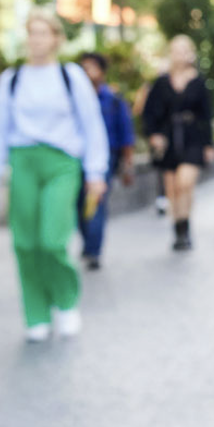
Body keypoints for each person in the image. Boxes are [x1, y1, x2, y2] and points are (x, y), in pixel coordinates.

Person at [0, 10, 108, 342]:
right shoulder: (12, 79)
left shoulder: (71, 76)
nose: (36, 40)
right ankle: (35, 312)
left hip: (62, 163)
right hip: (23, 161)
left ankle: (65, 300)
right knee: (25, 242)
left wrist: (96, 171)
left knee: (52, 240)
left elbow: (91, 124)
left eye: (43, 33)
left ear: (56, 38)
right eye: (31, 33)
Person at [142, 36, 214, 251]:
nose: (180, 55)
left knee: (185, 183)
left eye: (184, 50)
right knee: (172, 188)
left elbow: (206, 115)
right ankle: (178, 230)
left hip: (192, 137)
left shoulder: (199, 82)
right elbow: (149, 112)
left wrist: (208, 144)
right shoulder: (162, 82)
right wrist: (153, 134)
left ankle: (185, 224)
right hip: (168, 138)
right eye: (176, 50)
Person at [76, 52, 137, 270]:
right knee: (78, 203)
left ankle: (94, 249)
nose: (87, 72)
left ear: (102, 72)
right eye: (83, 68)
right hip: (76, 157)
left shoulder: (113, 101)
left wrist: (128, 163)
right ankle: (87, 241)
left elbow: (126, 134)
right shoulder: (72, 99)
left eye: (92, 67)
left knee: (97, 200)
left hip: (106, 157)